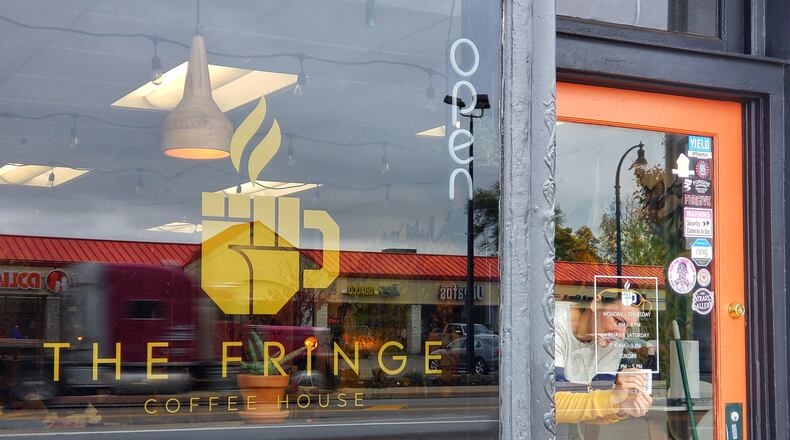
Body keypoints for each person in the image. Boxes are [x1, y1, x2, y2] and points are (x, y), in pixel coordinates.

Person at [555, 287, 654, 424]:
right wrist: (614, 397)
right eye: (619, 321)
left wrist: (621, 406)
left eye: (627, 328)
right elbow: (550, 404)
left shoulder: (610, 342)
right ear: (596, 303)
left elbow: (595, 409)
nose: (621, 335)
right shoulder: (554, 322)